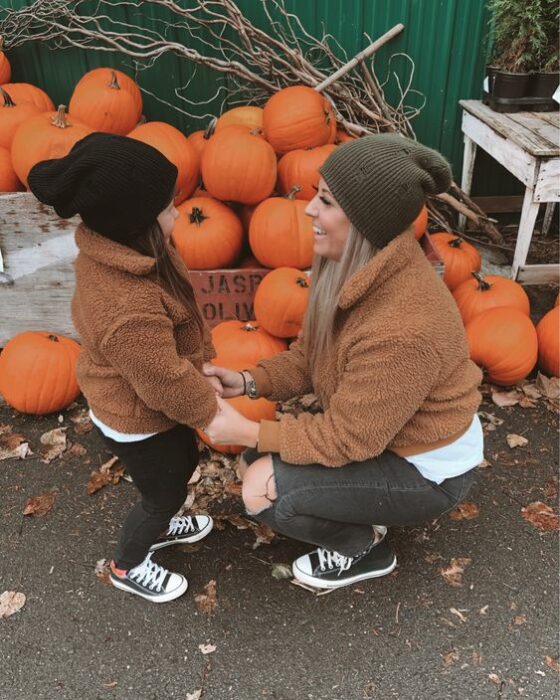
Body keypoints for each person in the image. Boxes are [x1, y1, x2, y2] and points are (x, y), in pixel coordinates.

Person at [203, 133, 484, 590]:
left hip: (426, 468)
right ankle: (361, 510)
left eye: (326, 201)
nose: (310, 209)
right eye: (316, 194)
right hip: (384, 436)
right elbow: (312, 358)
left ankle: (365, 547)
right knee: (255, 457)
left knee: (262, 492)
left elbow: (350, 439)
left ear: (363, 222)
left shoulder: (402, 329)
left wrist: (247, 429)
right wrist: (247, 381)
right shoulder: (348, 270)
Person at [28, 133, 222, 603]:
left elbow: (182, 318)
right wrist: (213, 410)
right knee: (161, 491)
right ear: (137, 220)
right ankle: (128, 564)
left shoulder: (137, 251)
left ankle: (165, 513)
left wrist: (204, 361)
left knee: (180, 467)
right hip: (136, 418)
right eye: (169, 206)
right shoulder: (126, 306)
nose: (179, 212)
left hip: (150, 406)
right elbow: (162, 381)